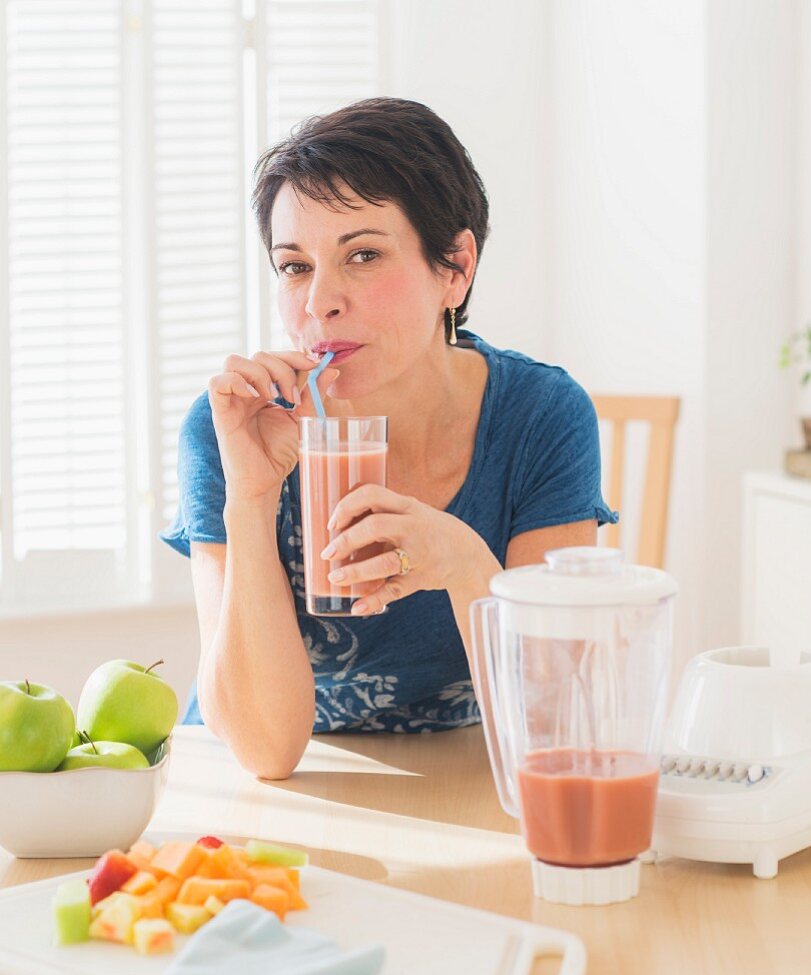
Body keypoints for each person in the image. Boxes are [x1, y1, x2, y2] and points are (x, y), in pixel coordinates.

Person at [160, 97, 617, 779]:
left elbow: (550, 721)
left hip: (459, 772)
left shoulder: (539, 417)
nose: (319, 303)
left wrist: (466, 567)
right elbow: (264, 750)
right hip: (271, 789)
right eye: (295, 266)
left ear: (455, 268)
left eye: (363, 255)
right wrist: (251, 499)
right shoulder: (233, 425)